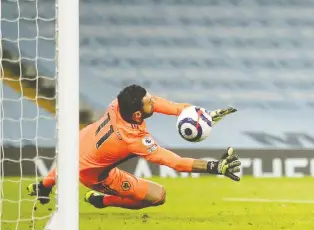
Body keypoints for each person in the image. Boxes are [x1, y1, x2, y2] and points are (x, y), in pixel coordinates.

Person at [27, 84, 240, 210]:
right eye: (149, 103)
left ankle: (44, 186)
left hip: (80, 141)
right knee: (158, 196)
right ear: (138, 114)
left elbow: (174, 108)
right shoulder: (134, 140)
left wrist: (202, 117)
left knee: (76, 157)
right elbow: (175, 162)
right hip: (95, 175)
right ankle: (103, 200)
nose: (153, 103)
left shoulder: (118, 104)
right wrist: (216, 166)